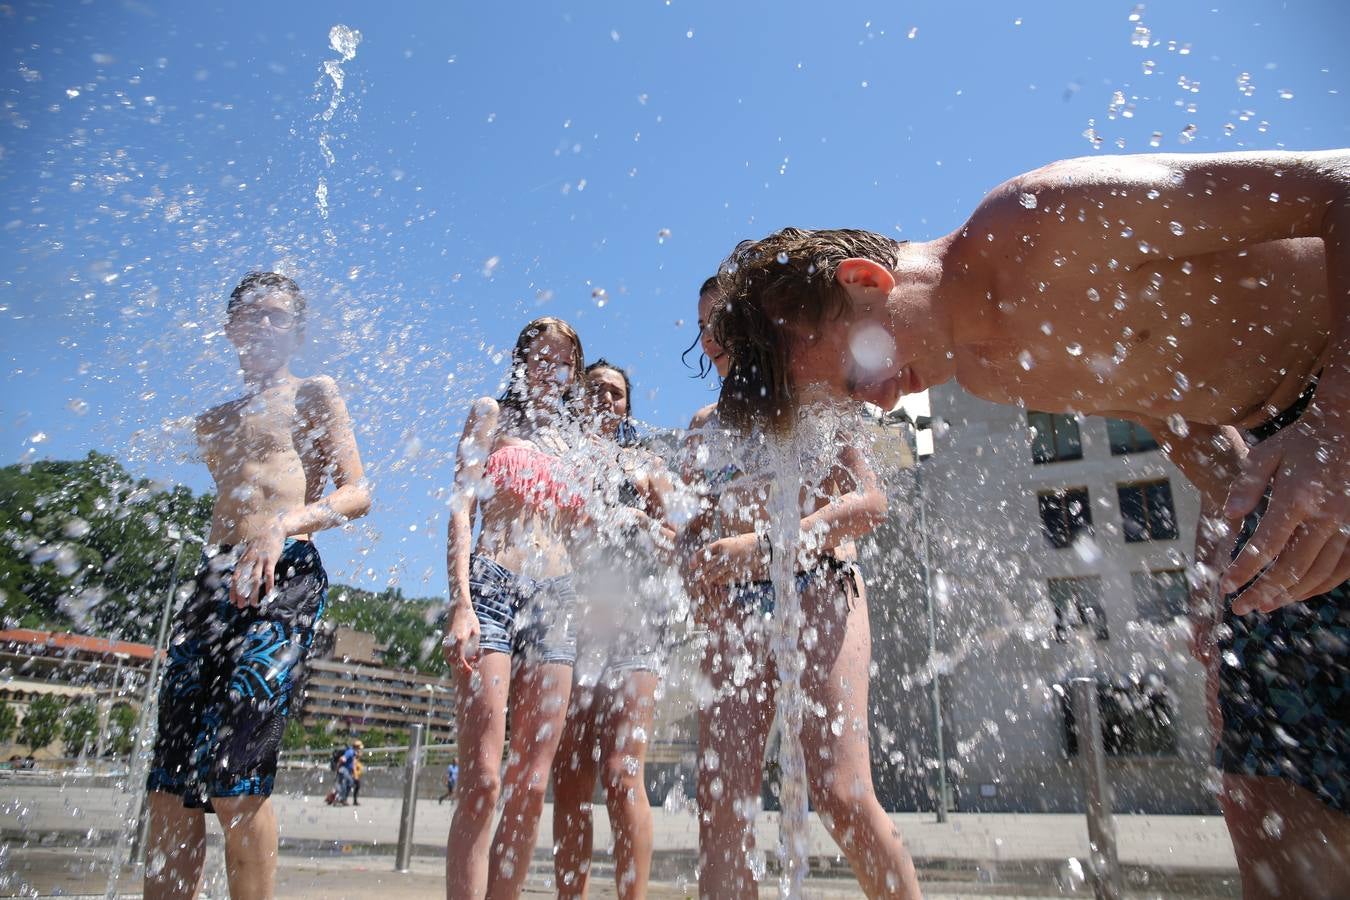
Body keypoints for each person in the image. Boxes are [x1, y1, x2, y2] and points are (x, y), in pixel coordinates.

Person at [706, 149, 1350, 899]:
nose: (879, 403)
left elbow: (1340, 186)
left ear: (864, 282)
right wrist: (1225, 568)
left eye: (858, 375)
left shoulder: (1031, 224)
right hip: (1299, 460)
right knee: (1271, 813)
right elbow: (1173, 414)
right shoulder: (991, 369)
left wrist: (1338, 419)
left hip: (1330, 405)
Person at [685, 279, 922, 899]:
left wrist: (766, 546)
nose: (715, 336)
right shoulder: (704, 427)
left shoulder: (814, 399)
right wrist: (692, 562)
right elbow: (694, 524)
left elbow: (871, 502)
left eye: (727, 320)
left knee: (841, 795)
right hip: (733, 607)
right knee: (722, 808)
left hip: (820, 586)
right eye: (705, 324)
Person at [144, 271, 370, 900]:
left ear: (296, 333)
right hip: (217, 579)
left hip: (285, 574)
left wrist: (283, 525)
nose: (263, 326)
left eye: (277, 317)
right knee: (169, 788)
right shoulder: (212, 420)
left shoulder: (315, 393)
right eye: (252, 315)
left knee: (233, 778)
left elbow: (356, 494)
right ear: (230, 328)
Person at [442, 317, 587, 900]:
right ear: (520, 360)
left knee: (531, 781)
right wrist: (460, 603)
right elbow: (460, 509)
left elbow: (589, 528)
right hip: (493, 587)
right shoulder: (491, 416)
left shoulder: (576, 444)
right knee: (481, 776)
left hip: (559, 598)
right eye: (539, 356)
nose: (548, 369)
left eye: (561, 361)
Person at [552, 359, 678, 900]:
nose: (604, 399)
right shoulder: (561, 459)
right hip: (569, 626)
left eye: (615, 393)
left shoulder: (645, 463)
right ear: (577, 400)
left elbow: (675, 537)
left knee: (623, 774)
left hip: (633, 625)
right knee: (572, 778)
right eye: (593, 390)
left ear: (628, 407)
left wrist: (639, 521)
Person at [350, 740, 364, 806]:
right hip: (354, 773)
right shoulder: (354, 754)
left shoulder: (356, 753)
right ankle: (354, 801)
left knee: (355, 786)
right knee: (355, 786)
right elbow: (354, 764)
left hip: (355, 773)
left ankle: (354, 801)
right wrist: (355, 775)